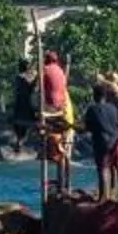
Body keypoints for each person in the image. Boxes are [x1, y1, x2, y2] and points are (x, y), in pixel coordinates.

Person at [38, 48, 74, 195]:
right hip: (66, 120)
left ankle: (61, 186)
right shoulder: (60, 75)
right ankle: (64, 184)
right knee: (65, 155)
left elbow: (38, 87)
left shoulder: (45, 70)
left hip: (59, 116)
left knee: (60, 154)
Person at [82, 80, 118, 199]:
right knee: (115, 166)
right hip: (115, 139)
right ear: (105, 96)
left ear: (95, 96)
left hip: (102, 141)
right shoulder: (113, 108)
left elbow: (87, 127)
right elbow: (114, 123)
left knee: (103, 169)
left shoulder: (92, 109)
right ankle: (117, 191)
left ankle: (103, 197)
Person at [8, 64, 39, 152]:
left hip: (21, 106)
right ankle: (19, 142)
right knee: (22, 127)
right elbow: (30, 87)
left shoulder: (19, 78)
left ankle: (19, 142)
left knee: (20, 127)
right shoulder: (22, 78)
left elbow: (29, 87)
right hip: (24, 106)